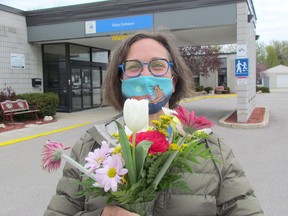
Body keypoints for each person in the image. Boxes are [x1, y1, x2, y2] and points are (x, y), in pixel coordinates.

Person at [44, 31, 264, 216]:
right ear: (120, 79)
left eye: (158, 65)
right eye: (133, 67)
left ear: (173, 79)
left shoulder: (212, 148)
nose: (146, 74)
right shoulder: (90, 146)